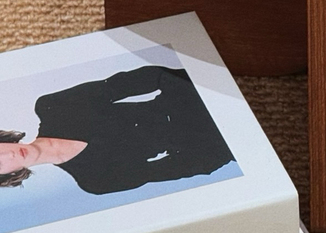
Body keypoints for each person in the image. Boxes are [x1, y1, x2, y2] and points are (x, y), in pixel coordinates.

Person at [0, 65, 234, 194]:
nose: (8, 154)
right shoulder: (95, 181)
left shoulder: (53, 107)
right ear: (8, 176)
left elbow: (136, 80)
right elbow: (181, 168)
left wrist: (201, 91)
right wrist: (227, 147)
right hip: (219, 140)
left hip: (199, 98)